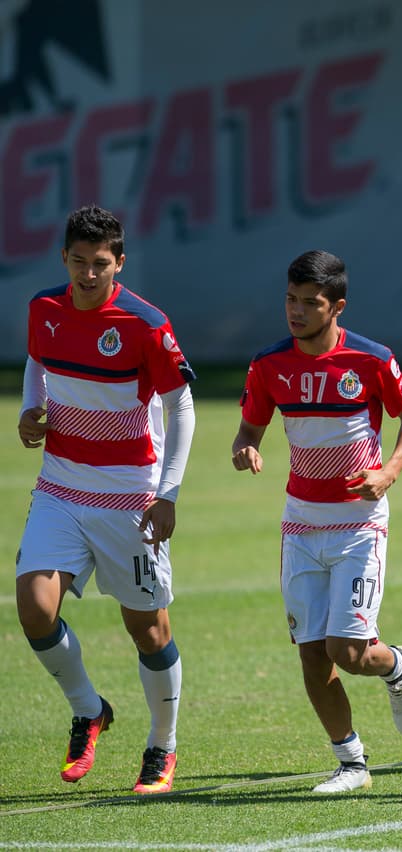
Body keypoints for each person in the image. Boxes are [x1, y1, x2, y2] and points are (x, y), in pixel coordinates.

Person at [231, 250, 402, 793]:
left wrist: (389, 471)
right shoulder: (268, 364)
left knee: (351, 652)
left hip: (359, 526)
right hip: (300, 526)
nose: (295, 311)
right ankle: (352, 763)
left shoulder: (370, 359)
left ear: (336, 306)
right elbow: (249, 430)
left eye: (309, 303)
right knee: (313, 658)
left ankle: (396, 667)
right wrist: (245, 449)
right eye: (290, 300)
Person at [17, 205, 195, 794]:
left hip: (130, 499)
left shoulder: (145, 323)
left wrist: (167, 494)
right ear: (63, 258)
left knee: (147, 630)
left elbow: (181, 405)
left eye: (100, 264)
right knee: (35, 608)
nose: (88, 274)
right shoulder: (44, 308)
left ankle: (162, 747)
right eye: (78, 262)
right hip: (61, 485)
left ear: (119, 261)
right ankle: (89, 709)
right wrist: (29, 409)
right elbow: (37, 362)